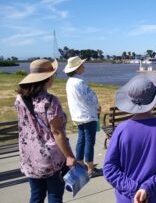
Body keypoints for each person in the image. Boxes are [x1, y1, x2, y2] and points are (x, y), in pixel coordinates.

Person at [103, 72, 156, 203]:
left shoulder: (121, 130)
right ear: (154, 99)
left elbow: (109, 169)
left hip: (127, 199)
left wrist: (133, 189)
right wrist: (147, 187)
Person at [15, 59, 76, 203]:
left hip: (29, 155)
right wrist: (69, 156)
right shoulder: (50, 101)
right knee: (55, 194)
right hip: (50, 157)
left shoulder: (19, 99)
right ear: (48, 78)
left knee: (36, 194)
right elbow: (57, 132)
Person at [64, 56, 102, 178]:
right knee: (89, 142)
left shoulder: (70, 82)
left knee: (81, 140)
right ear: (77, 68)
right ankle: (90, 169)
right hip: (87, 115)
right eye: (82, 65)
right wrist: (97, 107)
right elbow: (90, 99)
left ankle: (80, 165)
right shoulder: (80, 82)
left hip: (77, 115)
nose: (84, 66)